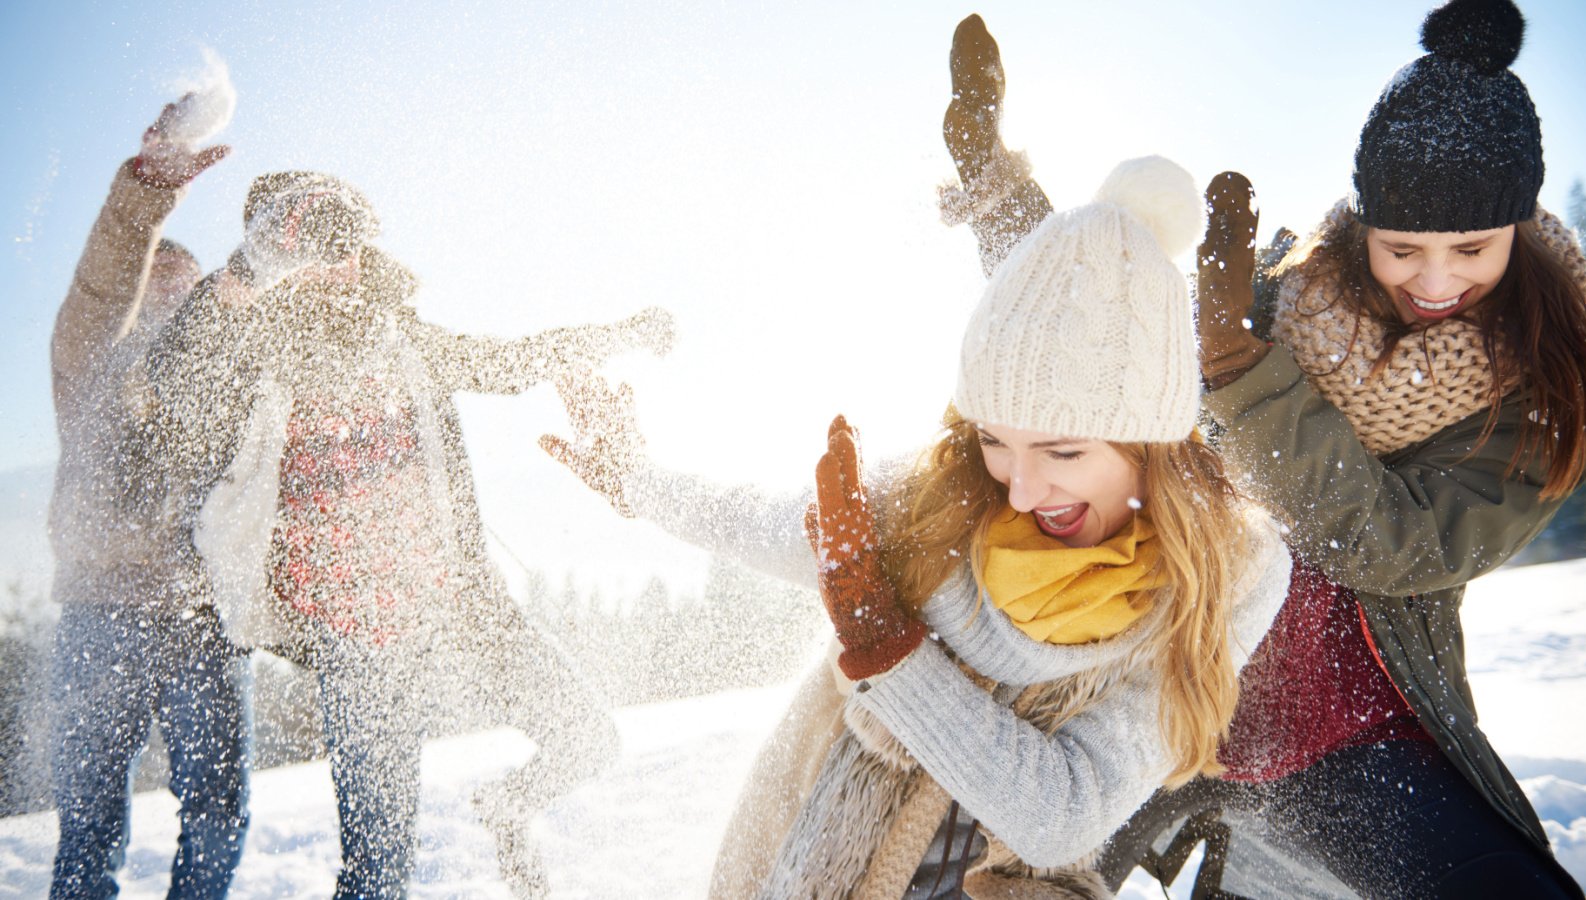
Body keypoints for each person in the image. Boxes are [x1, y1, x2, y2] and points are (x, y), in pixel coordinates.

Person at [939, 5, 1586, 896]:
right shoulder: (1279, 300)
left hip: (1351, 740)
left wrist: (1244, 379)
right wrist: (992, 178)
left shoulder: (1542, 388)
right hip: (1162, 711)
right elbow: (1091, 339)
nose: (1435, 281)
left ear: (1518, 230)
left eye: (1472, 249)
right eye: (1402, 249)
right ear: (1363, 229)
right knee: (988, 875)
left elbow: (1399, 548)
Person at [541, 156, 1292, 898]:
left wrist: (890, 652)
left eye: (1063, 450)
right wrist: (635, 482)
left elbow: (1065, 813)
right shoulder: (942, 497)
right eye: (997, 440)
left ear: (1150, 443)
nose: (1023, 490)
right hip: (827, 860)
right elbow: (762, 520)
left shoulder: (1230, 573)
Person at [140, 173, 669, 898]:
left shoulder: (404, 336)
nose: (336, 261)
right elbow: (173, 380)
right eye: (312, 247)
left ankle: (506, 804)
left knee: (590, 739)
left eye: (345, 241)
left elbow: (511, 359)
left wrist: (618, 335)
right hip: (357, 644)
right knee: (379, 871)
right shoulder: (252, 355)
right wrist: (247, 271)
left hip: (460, 609)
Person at [45, 98, 245, 898]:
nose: (166, 303)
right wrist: (143, 200)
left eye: (182, 293)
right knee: (89, 822)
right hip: (100, 611)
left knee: (218, 808)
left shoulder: (218, 383)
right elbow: (103, 286)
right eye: (153, 285)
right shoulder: (91, 364)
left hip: (201, 617)